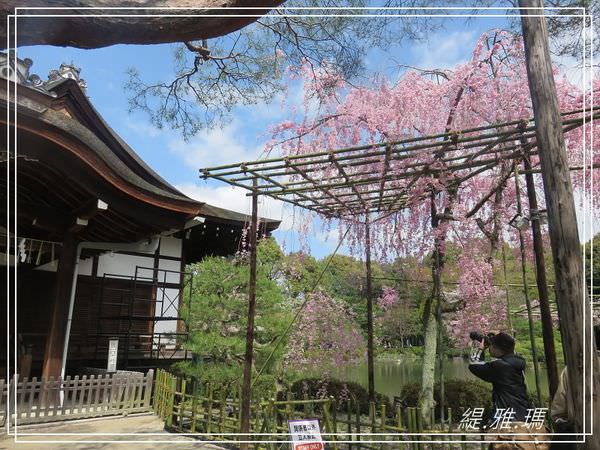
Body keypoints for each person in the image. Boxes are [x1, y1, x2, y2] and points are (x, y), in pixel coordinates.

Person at [468, 332, 548, 450]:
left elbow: (474, 365)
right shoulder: (517, 362)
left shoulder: (501, 366)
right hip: (523, 414)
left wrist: (481, 349)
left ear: (495, 348)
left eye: (492, 346)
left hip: (507, 419)